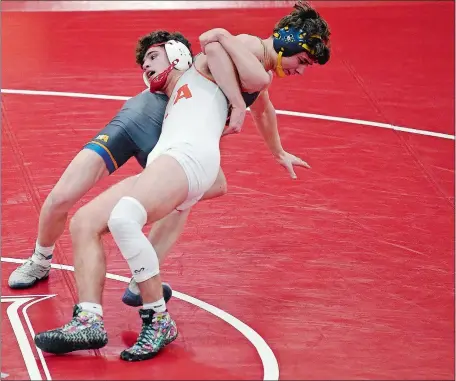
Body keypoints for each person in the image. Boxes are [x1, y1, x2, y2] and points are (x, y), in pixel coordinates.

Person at [34, 1, 331, 362]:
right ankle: (88, 320)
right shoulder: (250, 49)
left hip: (187, 157)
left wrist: (277, 149)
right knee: (84, 223)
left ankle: (157, 319)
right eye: (302, 61)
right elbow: (214, 40)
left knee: (125, 219)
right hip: (174, 156)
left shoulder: (254, 66)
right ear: (287, 42)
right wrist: (239, 105)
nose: (300, 71)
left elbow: (250, 87)